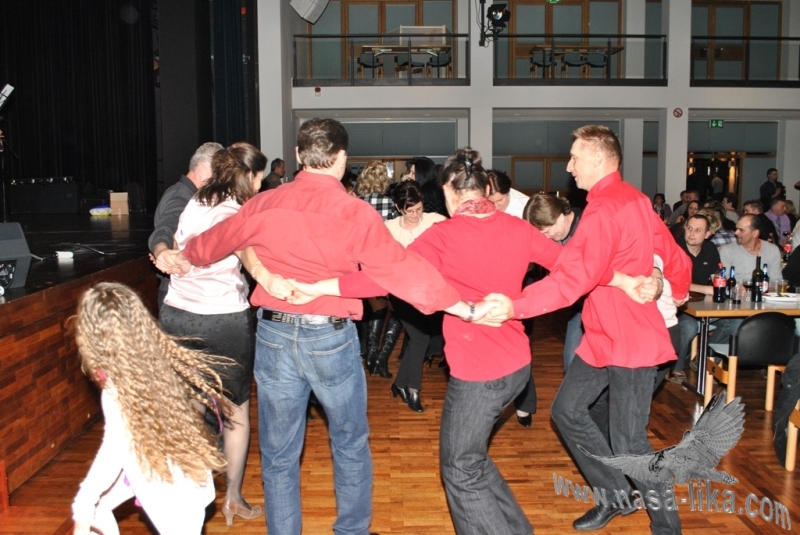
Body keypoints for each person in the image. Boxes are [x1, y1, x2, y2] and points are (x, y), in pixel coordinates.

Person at [163, 118, 473, 535]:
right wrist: (462, 306)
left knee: (278, 455)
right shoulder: (353, 212)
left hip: (273, 335)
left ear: (297, 155)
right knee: (349, 444)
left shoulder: (264, 203)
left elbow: (205, 247)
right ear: (342, 158)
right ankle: (351, 531)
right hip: (329, 337)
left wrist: (178, 253)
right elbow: (402, 272)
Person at [483, 125, 690, 534]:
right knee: (567, 411)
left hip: (630, 338)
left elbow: (574, 278)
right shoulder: (631, 199)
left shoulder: (606, 208)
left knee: (630, 442)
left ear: (598, 158)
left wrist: (516, 307)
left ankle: (668, 528)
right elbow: (672, 255)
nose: (569, 166)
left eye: (575, 157)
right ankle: (616, 495)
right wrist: (674, 286)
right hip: (602, 335)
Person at [158, 142, 266, 526]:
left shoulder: (194, 201)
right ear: (247, 176)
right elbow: (253, 262)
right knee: (235, 411)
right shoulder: (237, 211)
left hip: (178, 315)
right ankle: (232, 498)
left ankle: (189, 495)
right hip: (223, 318)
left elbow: (173, 244)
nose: (260, 186)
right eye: (259, 178)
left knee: (192, 406)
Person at [71, 282, 230, 535]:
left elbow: (113, 450)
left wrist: (83, 503)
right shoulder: (155, 363)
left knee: (93, 508)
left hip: (172, 494)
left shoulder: (117, 391)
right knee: (99, 509)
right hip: (181, 478)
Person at [383, 180, 446, 410]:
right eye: (410, 211)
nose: (415, 215)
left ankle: (400, 383)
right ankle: (413, 390)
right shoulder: (389, 228)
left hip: (429, 293)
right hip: (401, 294)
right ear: (398, 208)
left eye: (419, 209)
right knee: (420, 339)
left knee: (422, 340)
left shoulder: (434, 221)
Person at [149, 142, 222, 311]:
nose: (220, 180)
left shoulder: (188, 195)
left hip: (183, 292)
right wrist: (161, 250)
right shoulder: (182, 198)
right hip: (179, 294)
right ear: (202, 170)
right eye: (217, 173)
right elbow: (166, 228)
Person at [355, 161, 401, 377]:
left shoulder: (355, 203)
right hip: (383, 261)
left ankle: (370, 355)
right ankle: (379, 357)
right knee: (395, 310)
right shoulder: (390, 204)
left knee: (374, 307)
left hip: (359, 261)